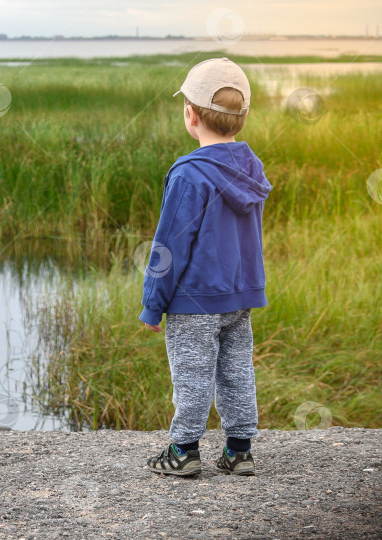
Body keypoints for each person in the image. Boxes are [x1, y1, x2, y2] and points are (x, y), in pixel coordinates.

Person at [140, 58, 272, 477]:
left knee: (193, 376)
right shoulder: (251, 168)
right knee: (236, 371)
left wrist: (152, 304)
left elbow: (168, 248)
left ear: (190, 114)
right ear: (243, 117)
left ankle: (184, 451)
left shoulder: (190, 174)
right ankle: (239, 451)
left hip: (194, 300)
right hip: (239, 297)